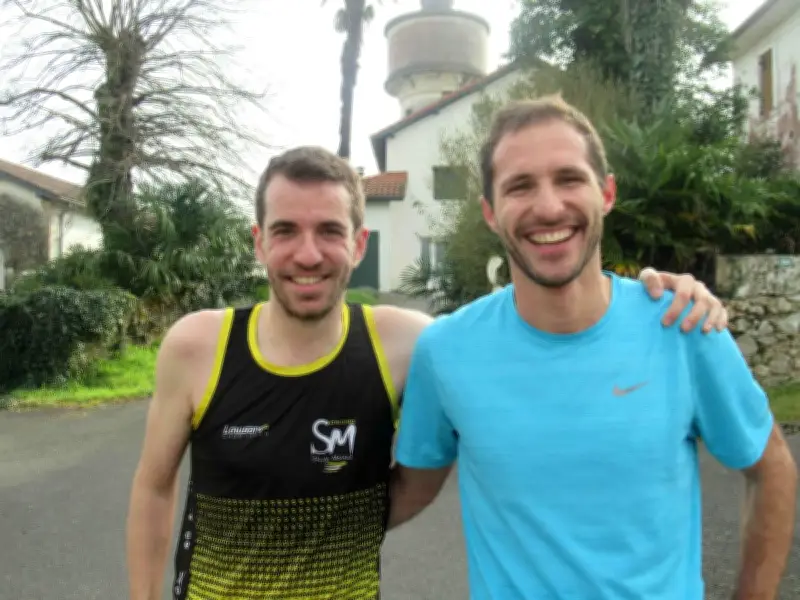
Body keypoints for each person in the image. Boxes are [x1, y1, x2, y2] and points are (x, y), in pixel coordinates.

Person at [125, 145, 731, 600]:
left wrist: (650, 295)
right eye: (286, 231)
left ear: (359, 244)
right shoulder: (198, 346)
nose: (308, 254)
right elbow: (154, 487)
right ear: (259, 242)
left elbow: (528, 325)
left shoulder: (409, 344)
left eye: (330, 231)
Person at [390, 97, 799, 600]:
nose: (548, 207)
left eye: (569, 179)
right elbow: (409, 489)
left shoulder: (682, 325)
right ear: (490, 213)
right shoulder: (447, 351)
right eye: (520, 186)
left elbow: (771, 467)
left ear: (606, 193)